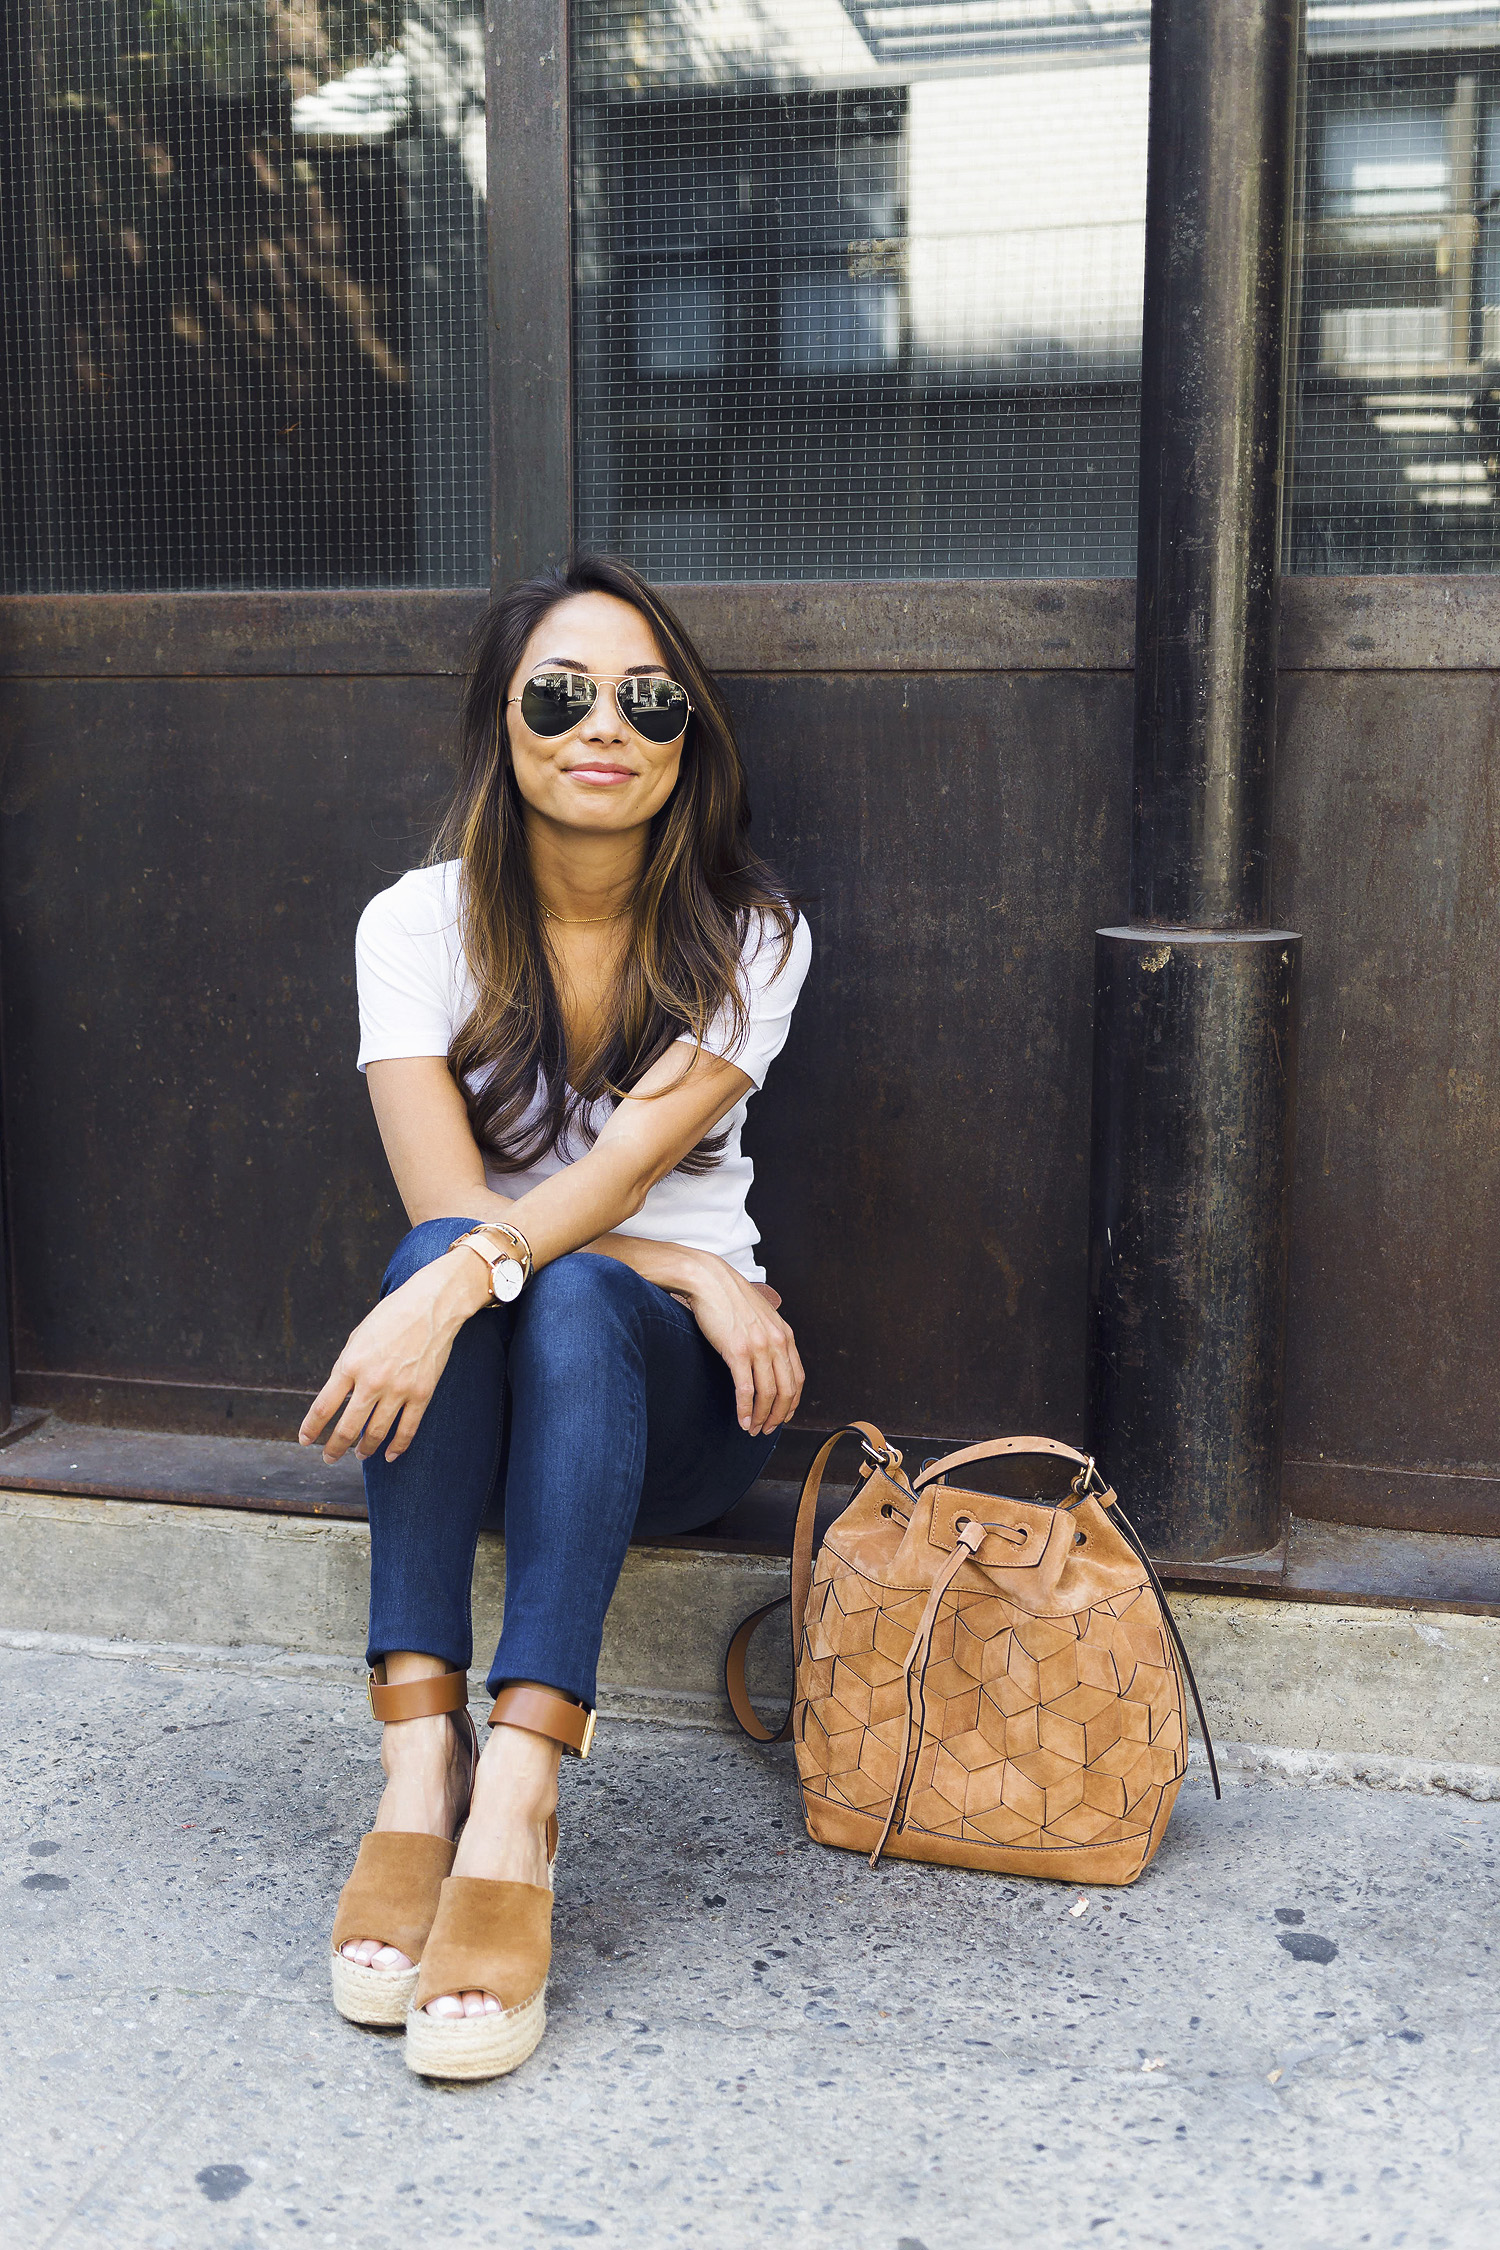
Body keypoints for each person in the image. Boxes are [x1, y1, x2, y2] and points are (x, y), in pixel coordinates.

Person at [300, 554, 811, 2083]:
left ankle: (516, 1793)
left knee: (549, 1278)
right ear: (502, 724)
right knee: (475, 1261)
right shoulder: (418, 925)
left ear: (687, 740)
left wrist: (628, 1277)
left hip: (678, 1415)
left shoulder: (750, 937)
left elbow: (617, 1178)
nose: (606, 724)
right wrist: (691, 1262)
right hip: (508, 1379)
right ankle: (416, 1775)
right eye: (560, 691)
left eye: (648, 699)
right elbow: (453, 1209)